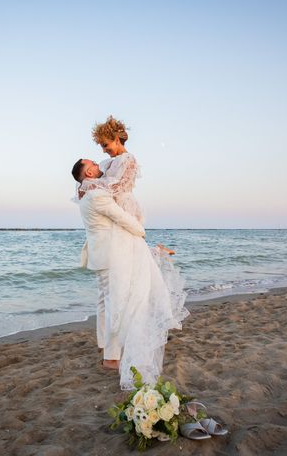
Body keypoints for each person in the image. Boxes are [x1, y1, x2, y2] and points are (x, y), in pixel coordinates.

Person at [73, 124, 189, 388]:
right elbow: (97, 190)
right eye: (101, 147)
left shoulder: (127, 161)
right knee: (113, 296)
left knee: (119, 290)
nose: (103, 150)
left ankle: (111, 351)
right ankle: (110, 352)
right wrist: (89, 185)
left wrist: (89, 185)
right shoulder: (103, 165)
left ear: (116, 138)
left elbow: (114, 187)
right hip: (113, 223)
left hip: (121, 215)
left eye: (106, 144)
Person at [71, 158, 146, 371]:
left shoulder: (85, 195)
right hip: (109, 255)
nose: (97, 164)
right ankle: (111, 358)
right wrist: (141, 231)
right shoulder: (96, 195)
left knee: (104, 302)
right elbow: (120, 216)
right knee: (115, 304)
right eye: (92, 164)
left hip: (99, 255)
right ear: (89, 174)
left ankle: (104, 346)